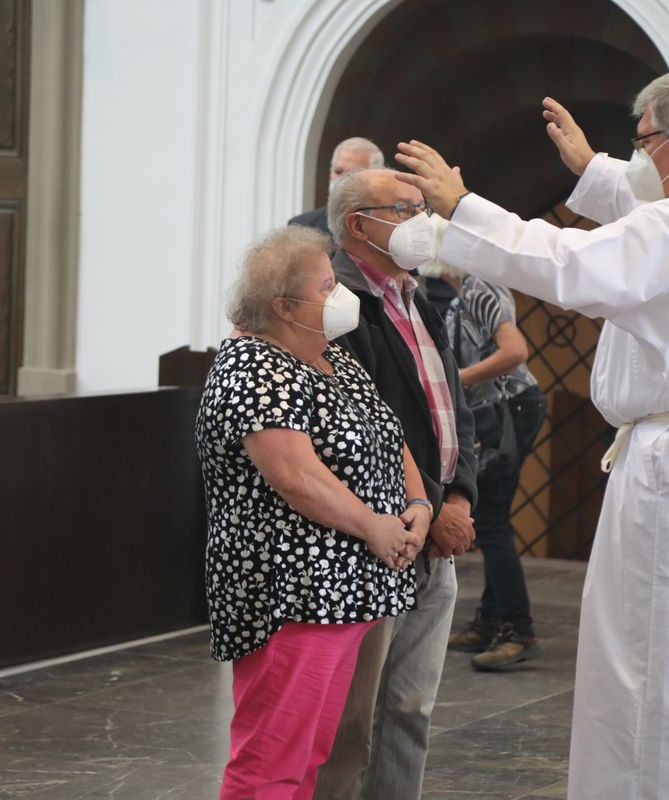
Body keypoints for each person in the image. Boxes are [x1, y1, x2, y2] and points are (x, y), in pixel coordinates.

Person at [395, 65, 669, 799]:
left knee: (666, 657)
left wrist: (463, 209)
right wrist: (593, 171)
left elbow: (570, 267)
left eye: (641, 142)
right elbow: (652, 209)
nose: (635, 159)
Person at [196, 224, 433, 800]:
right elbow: (296, 477)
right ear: (282, 306)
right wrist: (374, 525)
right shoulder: (253, 367)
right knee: (269, 762)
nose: (340, 295)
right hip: (293, 591)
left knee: (310, 756)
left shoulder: (333, 358)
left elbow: (389, 433)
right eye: (326, 286)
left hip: (346, 588)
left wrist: (418, 503)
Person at [312, 168, 478, 800]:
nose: (423, 221)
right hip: (379, 536)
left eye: (422, 207)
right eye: (406, 209)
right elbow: (364, 425)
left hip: (435, 530)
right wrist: (427, 508)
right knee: (349, 724)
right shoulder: (339, 305)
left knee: (411, 710)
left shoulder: (418, 295)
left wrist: (459, 496)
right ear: (359, 224)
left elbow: (451, 407)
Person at [425, 259, 548, 671]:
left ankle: (517, 626)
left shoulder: (479, 287)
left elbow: (515, 351)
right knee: (493, 515)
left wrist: (456, 381)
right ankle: (494, 618)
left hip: (508, 406)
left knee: (491, 519)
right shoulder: (468, 291)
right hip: (503, 405)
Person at [289, 137, 386, 236]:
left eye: (351, 173)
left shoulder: (387, 226)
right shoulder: (303, 226)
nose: (341, 180)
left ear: (374, 178)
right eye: (338, 171)